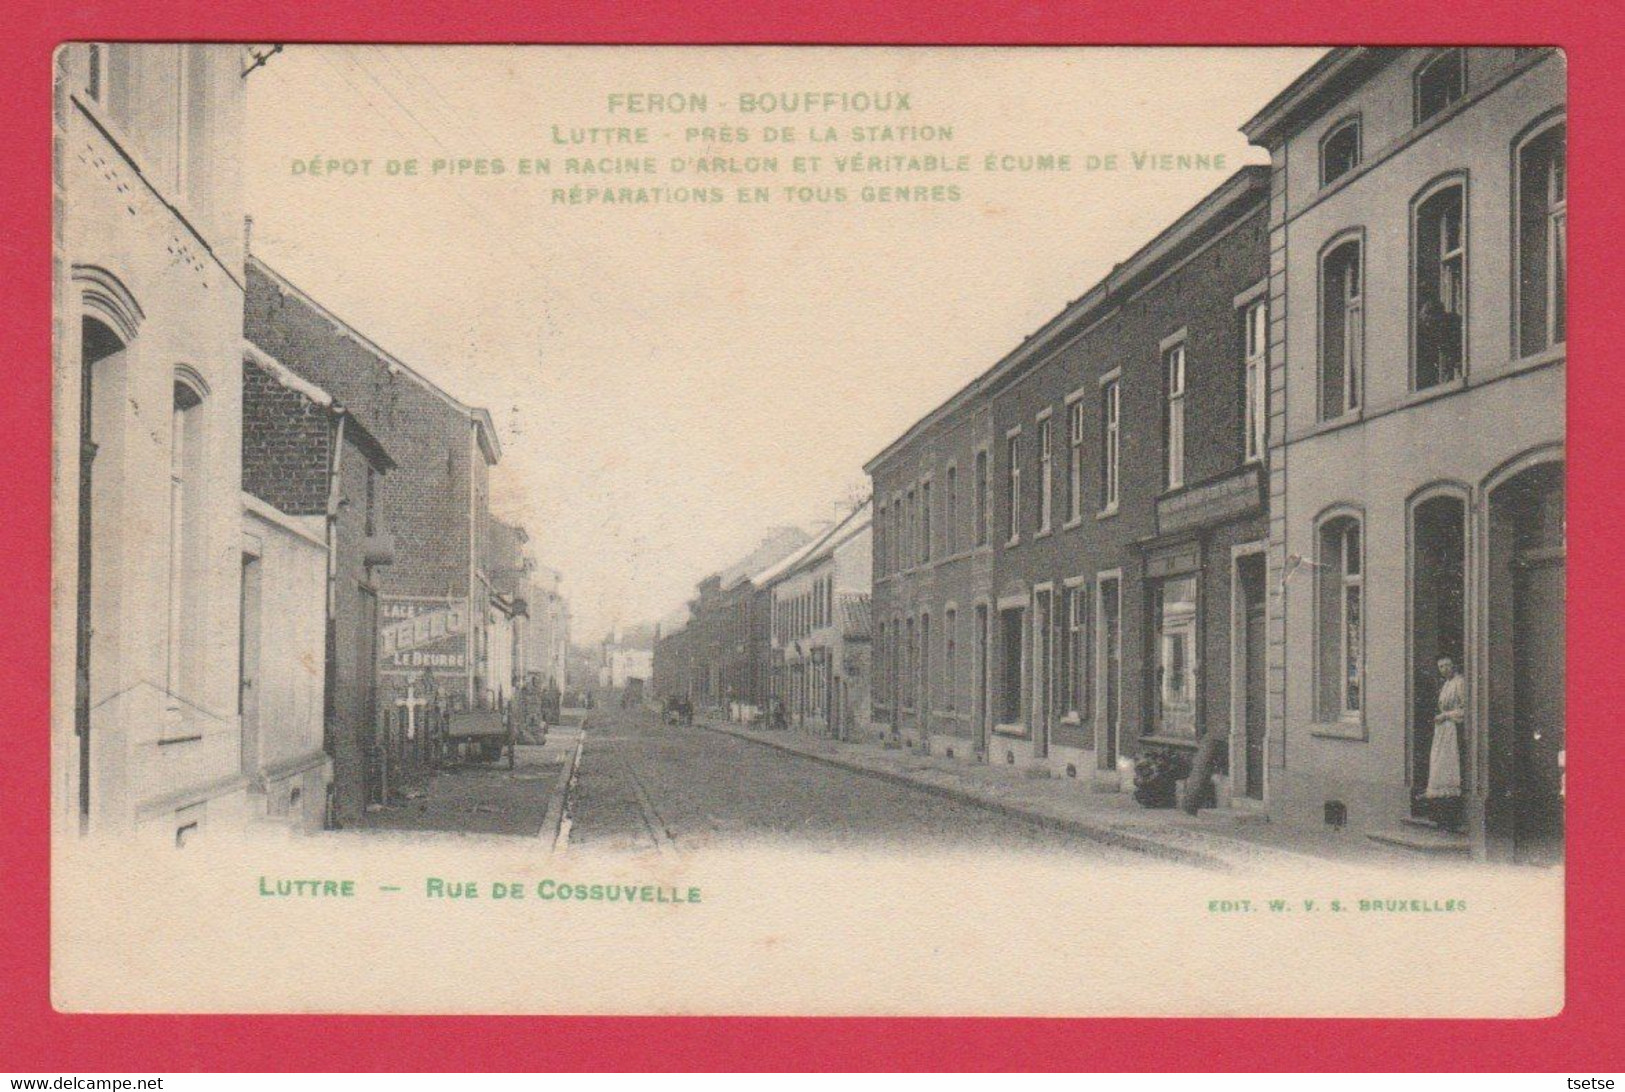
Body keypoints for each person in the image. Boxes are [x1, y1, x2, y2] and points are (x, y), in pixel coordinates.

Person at [1424, 655, 1465, 831]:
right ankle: (1441, 816)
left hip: (1452, 730)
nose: (1444, 669)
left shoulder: (1459, 682)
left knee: (1449, 768)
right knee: (1439, 768)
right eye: (1441, 667)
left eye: (1447, 665)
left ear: (1454, 665)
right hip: (1442, 731)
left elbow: (1465, 708)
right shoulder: (1446, 684)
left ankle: (1451, 818)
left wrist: (1446, 716)